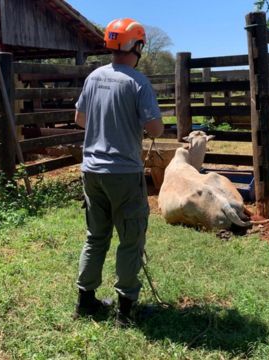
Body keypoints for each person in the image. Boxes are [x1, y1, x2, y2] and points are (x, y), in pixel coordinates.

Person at [72, 18, 164, 326]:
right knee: (130, 239)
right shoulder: (137, 82)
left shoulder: (93, 77)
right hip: (124, 172)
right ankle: (126, 311)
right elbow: (154, 128)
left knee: (95, 236)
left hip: (91, 171)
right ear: (135, 46)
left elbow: (80, 120)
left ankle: (85, 302)